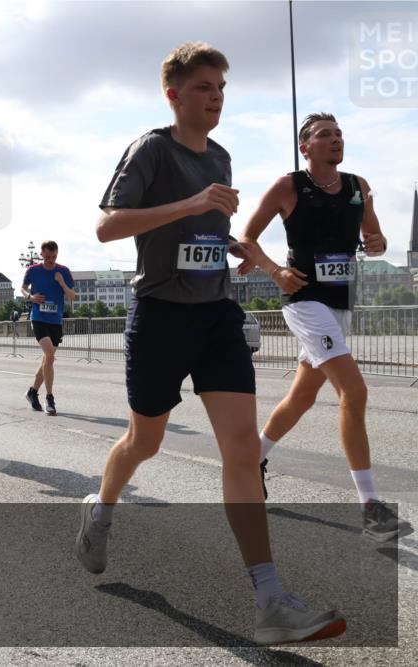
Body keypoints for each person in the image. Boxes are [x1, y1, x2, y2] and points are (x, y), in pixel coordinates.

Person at [74, 43, 345, 646]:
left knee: (243, 451)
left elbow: (207, 232)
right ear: (173, 93)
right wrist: (195, 202)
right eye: (203, 86)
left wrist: (245, 253)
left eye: (221, 86)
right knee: (145, 439)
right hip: (161, 315)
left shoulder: (220, 154)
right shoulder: (152, 149)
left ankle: (270, 598)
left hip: (217, 314)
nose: (216, 95)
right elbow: (107, 224)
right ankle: (101, 508)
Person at [237, 112, 409, 542]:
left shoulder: (357, 186)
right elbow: (246, 238)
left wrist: (377, 242)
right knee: (354, 390)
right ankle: (370, 508)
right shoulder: (288, 186)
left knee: (302, 395)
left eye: (338, 134)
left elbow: (376, 236)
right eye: (323, 135)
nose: (335, 140)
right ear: (305, 147)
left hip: (340, 304)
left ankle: (252, 459)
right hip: (304, 301)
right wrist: (275, 271)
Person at [21, 240, 75, 415]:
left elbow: (72, 296)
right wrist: (30, 297)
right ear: (41, 254)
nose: (51, 260)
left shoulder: (64, 271)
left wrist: (62, 283)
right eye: (47, 256)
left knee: (48, 359)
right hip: (38, 317)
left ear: (57, 254)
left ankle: (32, 392)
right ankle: (49, 398)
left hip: (55, 320)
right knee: (50, 355)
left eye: (54, 256)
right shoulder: (33, 270)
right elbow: (22, 288)